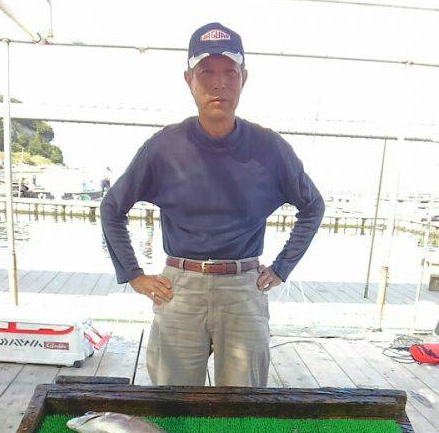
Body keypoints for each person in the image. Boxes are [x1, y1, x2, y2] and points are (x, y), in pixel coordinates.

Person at [101, 22, 325, 387]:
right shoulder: (163, 147)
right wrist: (134, 275)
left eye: (229, 72)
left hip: (243, 290)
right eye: (206, 72)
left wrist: (283, 267)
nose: (218, 83)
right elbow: (112, 208)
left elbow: (313, 207)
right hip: (179, 290)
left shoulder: (270, 149)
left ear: (244, 78)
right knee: (171, 402)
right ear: (189, 78)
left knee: (242, 409)